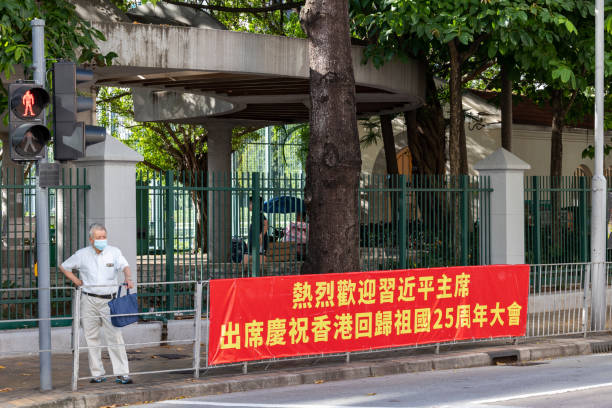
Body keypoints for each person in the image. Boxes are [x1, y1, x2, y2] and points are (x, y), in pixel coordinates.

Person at [59, 223, 134, 385]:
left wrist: (128, 278)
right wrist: (77, 281)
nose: (102, 240)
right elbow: (64, 266)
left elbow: (125, 266)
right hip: (88, 300)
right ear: (91, 239)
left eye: (104, 237)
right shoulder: (82, 254)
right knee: (91, 337)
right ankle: (97, 373)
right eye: (98, 237)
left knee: (115, 336)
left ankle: (122, 373)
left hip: (110, 301)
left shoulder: (114, 252)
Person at [243, 196, 268, 267]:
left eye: (250, 203)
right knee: (244, 263)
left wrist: (261, 235)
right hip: (252, 243)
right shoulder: (254, 215)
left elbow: (266, 224)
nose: (248, 205)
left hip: (260, 243)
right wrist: (248, 241)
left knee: (260, 266)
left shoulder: (260, 214)